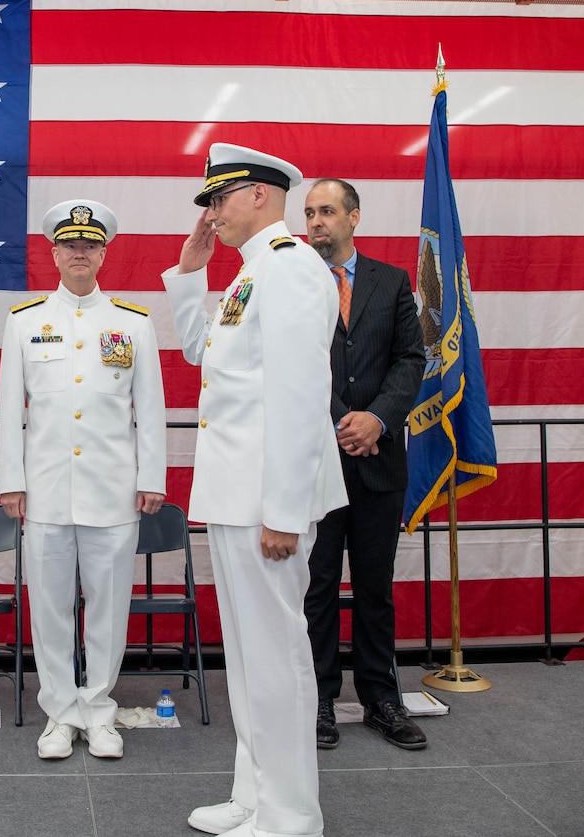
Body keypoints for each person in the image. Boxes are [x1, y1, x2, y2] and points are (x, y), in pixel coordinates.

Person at [162, 143, 347, 837]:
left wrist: (284, 509)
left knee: (277, 659)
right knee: (247, 659)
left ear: (261, 196)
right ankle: (253, 794)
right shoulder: (250, 274)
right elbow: (199, 351)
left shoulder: (291, 268)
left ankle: (292, 813)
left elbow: (301, 396)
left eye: (219, 197)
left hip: (265, 500)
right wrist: (190, 269)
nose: (211, 211)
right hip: (236, 494)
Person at [0, 199, 167, 761]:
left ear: (103, 252)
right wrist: (11, 479)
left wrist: (152, 477)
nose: (78, 252)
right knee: (48, 611)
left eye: (89, 244)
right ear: (53, 251)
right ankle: (58, 715)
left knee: (109, 608)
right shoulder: (24, 322)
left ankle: (98, 711)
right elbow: (9, 412)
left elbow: (151, 409)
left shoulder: (132, 323)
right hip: (44, 491)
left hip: (113, 491)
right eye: (69, 244)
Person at [302, 178, 428, 752]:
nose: (315, 222)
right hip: (317, 460)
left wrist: (376, 419)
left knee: (375, 587)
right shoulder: (295, 281)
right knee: (318, 586)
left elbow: (410, 357)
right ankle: (320, 700)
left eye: (327, 211)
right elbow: (292, 362)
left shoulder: (393, 281)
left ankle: (381, 698)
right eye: (309, 213)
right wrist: (340, 422)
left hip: (379, 459)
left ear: (354, 217)